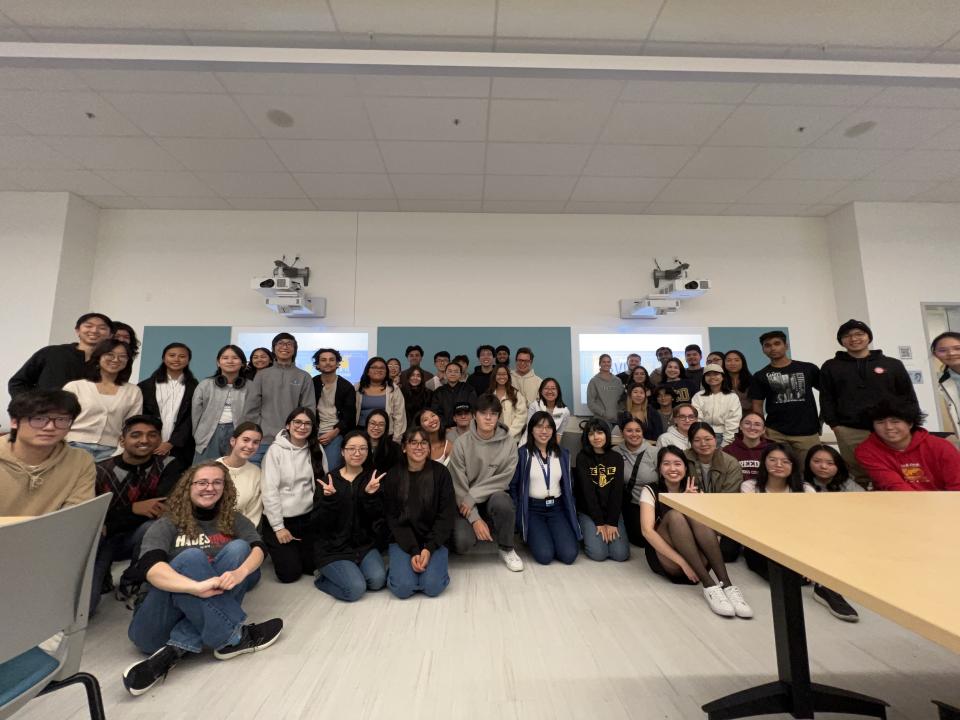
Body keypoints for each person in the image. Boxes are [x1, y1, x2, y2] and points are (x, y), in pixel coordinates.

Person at [123, 461, 282, 697]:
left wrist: (240, 573)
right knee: (191, 559)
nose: (210, 487)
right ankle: (235, 637)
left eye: (217, 482)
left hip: (203, 615)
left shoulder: (233, 519)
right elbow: (151, 568)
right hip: (153, 628)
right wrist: (196, 587)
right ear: (188, 486)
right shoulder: (167, 523)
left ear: (225, 488)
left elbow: (259, 548)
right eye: (202, 482)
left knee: (240, 549)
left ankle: (174, 651)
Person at [639, 446, 752, 618]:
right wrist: (682, 562)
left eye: (677, 464)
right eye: (666, 464)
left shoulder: (694, 488)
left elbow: (712, 528)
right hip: (668, 559)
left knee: (697, 516)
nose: (672, 469)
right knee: (676, 516)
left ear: (685, 468)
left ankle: (727, 585)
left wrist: (691, 500)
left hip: (697, 559)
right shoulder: (650, 490)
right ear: (659, 469)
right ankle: (709, 586)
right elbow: (647, 532)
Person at [92, 415, 182, 613]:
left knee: (154, 526)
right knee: (86, 607)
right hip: (103, 539)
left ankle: (132, 579)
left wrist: (115, 519)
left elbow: (159, 510)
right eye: (136, 435)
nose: (144, 440)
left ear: (159, 440)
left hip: (137, 537)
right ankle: (103, 574)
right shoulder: (100, 471)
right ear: (122, 440)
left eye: (152, 435)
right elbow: (93, 518)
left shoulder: (168, 465)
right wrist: (134, 508)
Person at [821, 320, 918, 487]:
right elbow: (826, 397)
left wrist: (911, 422)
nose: (854, 339)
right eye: (847, 336)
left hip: (889, 427)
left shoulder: (892, 364)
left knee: (896, 469)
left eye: (859, 334)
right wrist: (834, 424)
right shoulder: (831, 366)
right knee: (859, 473)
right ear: (841, 341)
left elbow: (907, 394)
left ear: (868, 337)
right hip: (849, 429)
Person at [448, 393, 522, 571]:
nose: (488, 418)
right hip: (464, 501)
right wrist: (474, 519)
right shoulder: (461, 443)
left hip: (490, 497)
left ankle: (506, 548)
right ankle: (477, 526)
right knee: (462, 543)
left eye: (494, 414)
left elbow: (504, 479)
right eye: (483, 413)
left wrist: (474, 495)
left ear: (498, 417)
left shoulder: (509, 443)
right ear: (475, 415)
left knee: (503, 502)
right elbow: (459, 485)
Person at [312, 432, 387, 602]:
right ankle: (321, 578)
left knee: (377, 581)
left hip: (364, 546)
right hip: (333, 549)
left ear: (368, 452)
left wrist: (370, 496)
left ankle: (352, 570)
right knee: (354, 590)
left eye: (362, 448)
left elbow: (379, 520)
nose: (357, 453)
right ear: (342, 452)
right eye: (351, 448)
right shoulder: (328, 481)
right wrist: (330, 500)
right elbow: (318, 524)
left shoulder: (372, 479)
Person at [382, 426, 456, 598]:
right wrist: (414, 549)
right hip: (403, 540)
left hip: (434, 540)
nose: (419, 447)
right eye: (413, 442)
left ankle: (432, 569)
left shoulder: (441, 473)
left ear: (429, 448)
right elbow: (393, 518)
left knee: (432, 587)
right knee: (403, 589)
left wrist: (429, 548)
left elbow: (446, 516)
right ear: (404, 447)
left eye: (423, 443)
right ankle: (397, 571)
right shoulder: (393, 475)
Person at [0, 389, 94, 515]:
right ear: (14, 422)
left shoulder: (80, 460)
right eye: (39, 419)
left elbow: (76, 513)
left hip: (51, 533)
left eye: (61, 419)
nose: (50, 427)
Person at [260, 407, 327, 583]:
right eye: (297, 422)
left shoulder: (316, 449)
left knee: (313, 567)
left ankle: (299, 549)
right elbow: (269, 491)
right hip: (281, 520)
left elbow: (323, 482)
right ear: (288, 425)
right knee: (290, 575)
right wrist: (278, 527)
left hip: (306, 518)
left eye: (307, 423)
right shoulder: (275, 451)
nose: (302, 427)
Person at [510, 412, 581, 565]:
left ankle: (550, 536)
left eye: (549, 427)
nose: (544, 431)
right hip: (533, 510)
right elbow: (513, 486)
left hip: (557, 508)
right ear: (531, 430)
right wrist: (518, 514)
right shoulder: (522, 454)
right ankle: (535, 537)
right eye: (539, 426)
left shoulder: (563, 454)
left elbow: (569, 486)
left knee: (569, 555)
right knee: (545, 556)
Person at [801, 444, 862, 621]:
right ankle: (826, 589)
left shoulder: (850, 486)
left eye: (830, 463)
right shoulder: (799, 484)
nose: (823, 466)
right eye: (817, 461)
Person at [240, 333, 315, 466]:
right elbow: (251, 409)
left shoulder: (304, 376)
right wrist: (254, 433)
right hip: (262, 440)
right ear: (274, 348)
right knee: (255, 479)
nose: (285, 347)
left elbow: (308, 410)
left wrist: (298, 435)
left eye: (289, 344)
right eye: (280, 343)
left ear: (294, 349)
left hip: (291, 441)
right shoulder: (262, 375)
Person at [855, 398, 960, 491]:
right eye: (880, 422)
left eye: (895, 421)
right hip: (899, 505)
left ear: (910, 423)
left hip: (944, 505)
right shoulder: (866, 451)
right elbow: (894, 485)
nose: (888, 427)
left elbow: (957, 486)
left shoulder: (942, 447)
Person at [63, 339, 143, 461]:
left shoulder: (133, 391)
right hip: (72, 447)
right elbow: (61, 419)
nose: (116, 359)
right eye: (110, 355)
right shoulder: (75, 386)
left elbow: (132, 426)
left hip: (110, 451)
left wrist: (119, 452)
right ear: (98, 357)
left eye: (122, 356)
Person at [749, 331, 823, 461]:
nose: (773, 348)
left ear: (786, 345)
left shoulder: (808, 368)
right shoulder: (760, 375)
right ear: (763, 350)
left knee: (809, 472)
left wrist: (823, 418)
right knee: (778, 470)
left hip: (807, 432)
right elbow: (757, 404)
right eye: (767, 345)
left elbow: (827, 393)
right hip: (775, 433)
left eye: (777, 343)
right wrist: (760, 428)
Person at [8, 312, 113, 397]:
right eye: (88, 326)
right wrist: (32, 406)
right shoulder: (51, 353)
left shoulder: (112, 362)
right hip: (46, 417)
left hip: (90, 419)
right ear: (77, 331)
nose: (94, 330)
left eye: (102, 328)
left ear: (110, 335)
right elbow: (18, 383)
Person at [575, 418, 629, 562]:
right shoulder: (582, 458)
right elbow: (588, 493)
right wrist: (599, 522)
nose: (596, 437)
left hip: (612, 512)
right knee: (599, 554)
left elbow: (617, 492)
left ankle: (600, 533)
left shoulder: (616, 458)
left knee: (620, 555)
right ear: (587, 437)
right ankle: (587, 532)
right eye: (591, 434)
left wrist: (611, 522)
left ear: (607, 434)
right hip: (589, 512)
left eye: (600, 433)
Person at [139, 343, 198, 467]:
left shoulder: (195, 387)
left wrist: (171, 443)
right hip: (148, 445)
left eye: (182, 356)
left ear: (188, 360)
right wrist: (153, 440)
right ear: (163, 358)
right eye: (172, 355)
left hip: (181, 449)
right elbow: (141, 416)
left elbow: (191, 419)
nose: (176, 359)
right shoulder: (145, 386)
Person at [192, 345, 249, 462]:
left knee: (232, 473)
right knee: (204, 472)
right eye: (225, 358)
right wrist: (198, 435)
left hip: (238, 433)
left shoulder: (251, 386)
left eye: (235, 358)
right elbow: (195, 413)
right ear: (218, 362)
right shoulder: (205, 384)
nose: (230, 361)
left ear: (243, 363)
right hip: (208, 434)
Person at [311, 347, 357, 472]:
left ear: (337, 363)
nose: (327, 362)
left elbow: (349, 416)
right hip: (311, 433)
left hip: (336, 433)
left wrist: (334, 433)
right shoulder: (311, 383)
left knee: (331, 469)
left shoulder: (346, 386)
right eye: (323, 360)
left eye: (332, 360)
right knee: (311, 469)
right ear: (318, 364)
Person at [615, 417, 658, 547]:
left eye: (638, 430)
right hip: (630, 503)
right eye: (629, 431)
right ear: (622, 433)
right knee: (640, 540)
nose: (634, 434)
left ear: (643, 432)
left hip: (652, 504)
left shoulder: (654, 452)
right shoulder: (615, 451)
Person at [218, 422, 265, 527]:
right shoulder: (212, 468)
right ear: (233, 441)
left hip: (239, 535)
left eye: (256, 442)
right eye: (245, 440)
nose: (250, 446)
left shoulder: (256, 474)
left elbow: (253, 514)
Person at [355, 356, 406, 443]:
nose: (378, 370)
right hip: (360, 432)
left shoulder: (394, 389)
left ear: (386, 372)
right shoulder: (357, 388)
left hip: (385, 434)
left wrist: (396, 439)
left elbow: (399, 416)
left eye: (382, 368)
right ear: (367, 371)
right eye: (374, 367)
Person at [685, 422, 744, 494]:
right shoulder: (682, 459)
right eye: (697, 440)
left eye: (708, 439)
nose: (703, 444)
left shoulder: (730, 463)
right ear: (691, 443)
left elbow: (730, 495)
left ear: (715, 440)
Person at [691, 363, 741, 447]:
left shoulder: (732, 396)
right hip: (702, 436)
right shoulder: (698, 396)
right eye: (708, 375)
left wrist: (726, 443)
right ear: (704, 378)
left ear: (723, 377)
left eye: (716, 374)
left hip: (725, 435)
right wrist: (701, 436)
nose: (712, 377)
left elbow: (733, 421)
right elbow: (696, 418)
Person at [741, 443, 813, 494]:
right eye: (772, 460)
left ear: (793, 465)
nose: (778, 465)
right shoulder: (750, 487)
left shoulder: (806, 489)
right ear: (764, 462)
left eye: (785, 461)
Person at [723, 412, 770, 485]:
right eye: (747, 423)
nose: (752, 427)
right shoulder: (728, 451)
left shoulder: (772, 450)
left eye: (757, 424)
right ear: (740, 426)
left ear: (764, 429)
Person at [430, 360, 477, 428]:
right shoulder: (438, 392)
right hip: (445, 429)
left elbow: (473, 410)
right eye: (450, 371)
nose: (453, 374)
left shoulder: (469, 389)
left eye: (456, 371)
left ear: (460, 374)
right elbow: (435, 412)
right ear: (445, 374)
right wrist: (445, 427)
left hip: (466, 428)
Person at [523, 377, 571, 442]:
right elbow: (529, 429)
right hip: (531, 442)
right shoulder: (534, 406)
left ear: (558, 391)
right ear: (541, 391)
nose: (550, 391)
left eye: (553, 388)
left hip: (550, 444)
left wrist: (553, 450)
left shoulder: (565, 411)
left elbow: (559, 434)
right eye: (546, 388)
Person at [932, 332, 960, 440]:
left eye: (957, 348)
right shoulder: (944, 380)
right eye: (942, 350)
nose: (951, 353)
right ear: (935, 354)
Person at [490, 365, 527, 440]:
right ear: (494, 376)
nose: (502, 376)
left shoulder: (515, 394)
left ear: (508, 376)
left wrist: (510, 433)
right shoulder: (489, 394)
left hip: (512, 438)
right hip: (492, 437)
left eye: (504, 374)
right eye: (499, 374)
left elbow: (522, 415)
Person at [586, 354, 623, 427]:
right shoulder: (594, 381)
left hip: (617, 421)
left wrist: (620, 413)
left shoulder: (617, 380)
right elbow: (591, 403)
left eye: (608, 362)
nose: (606, 364)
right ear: (600, 364)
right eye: (604, 362)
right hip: (601, 420)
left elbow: (621, 399)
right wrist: (604, 414)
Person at [363, 408, 402, 474]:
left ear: (386, 427)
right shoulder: (357, 445)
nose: (376, 428)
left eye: (381, 424)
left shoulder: (394, 448)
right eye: (372, 423)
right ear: (367, 425)